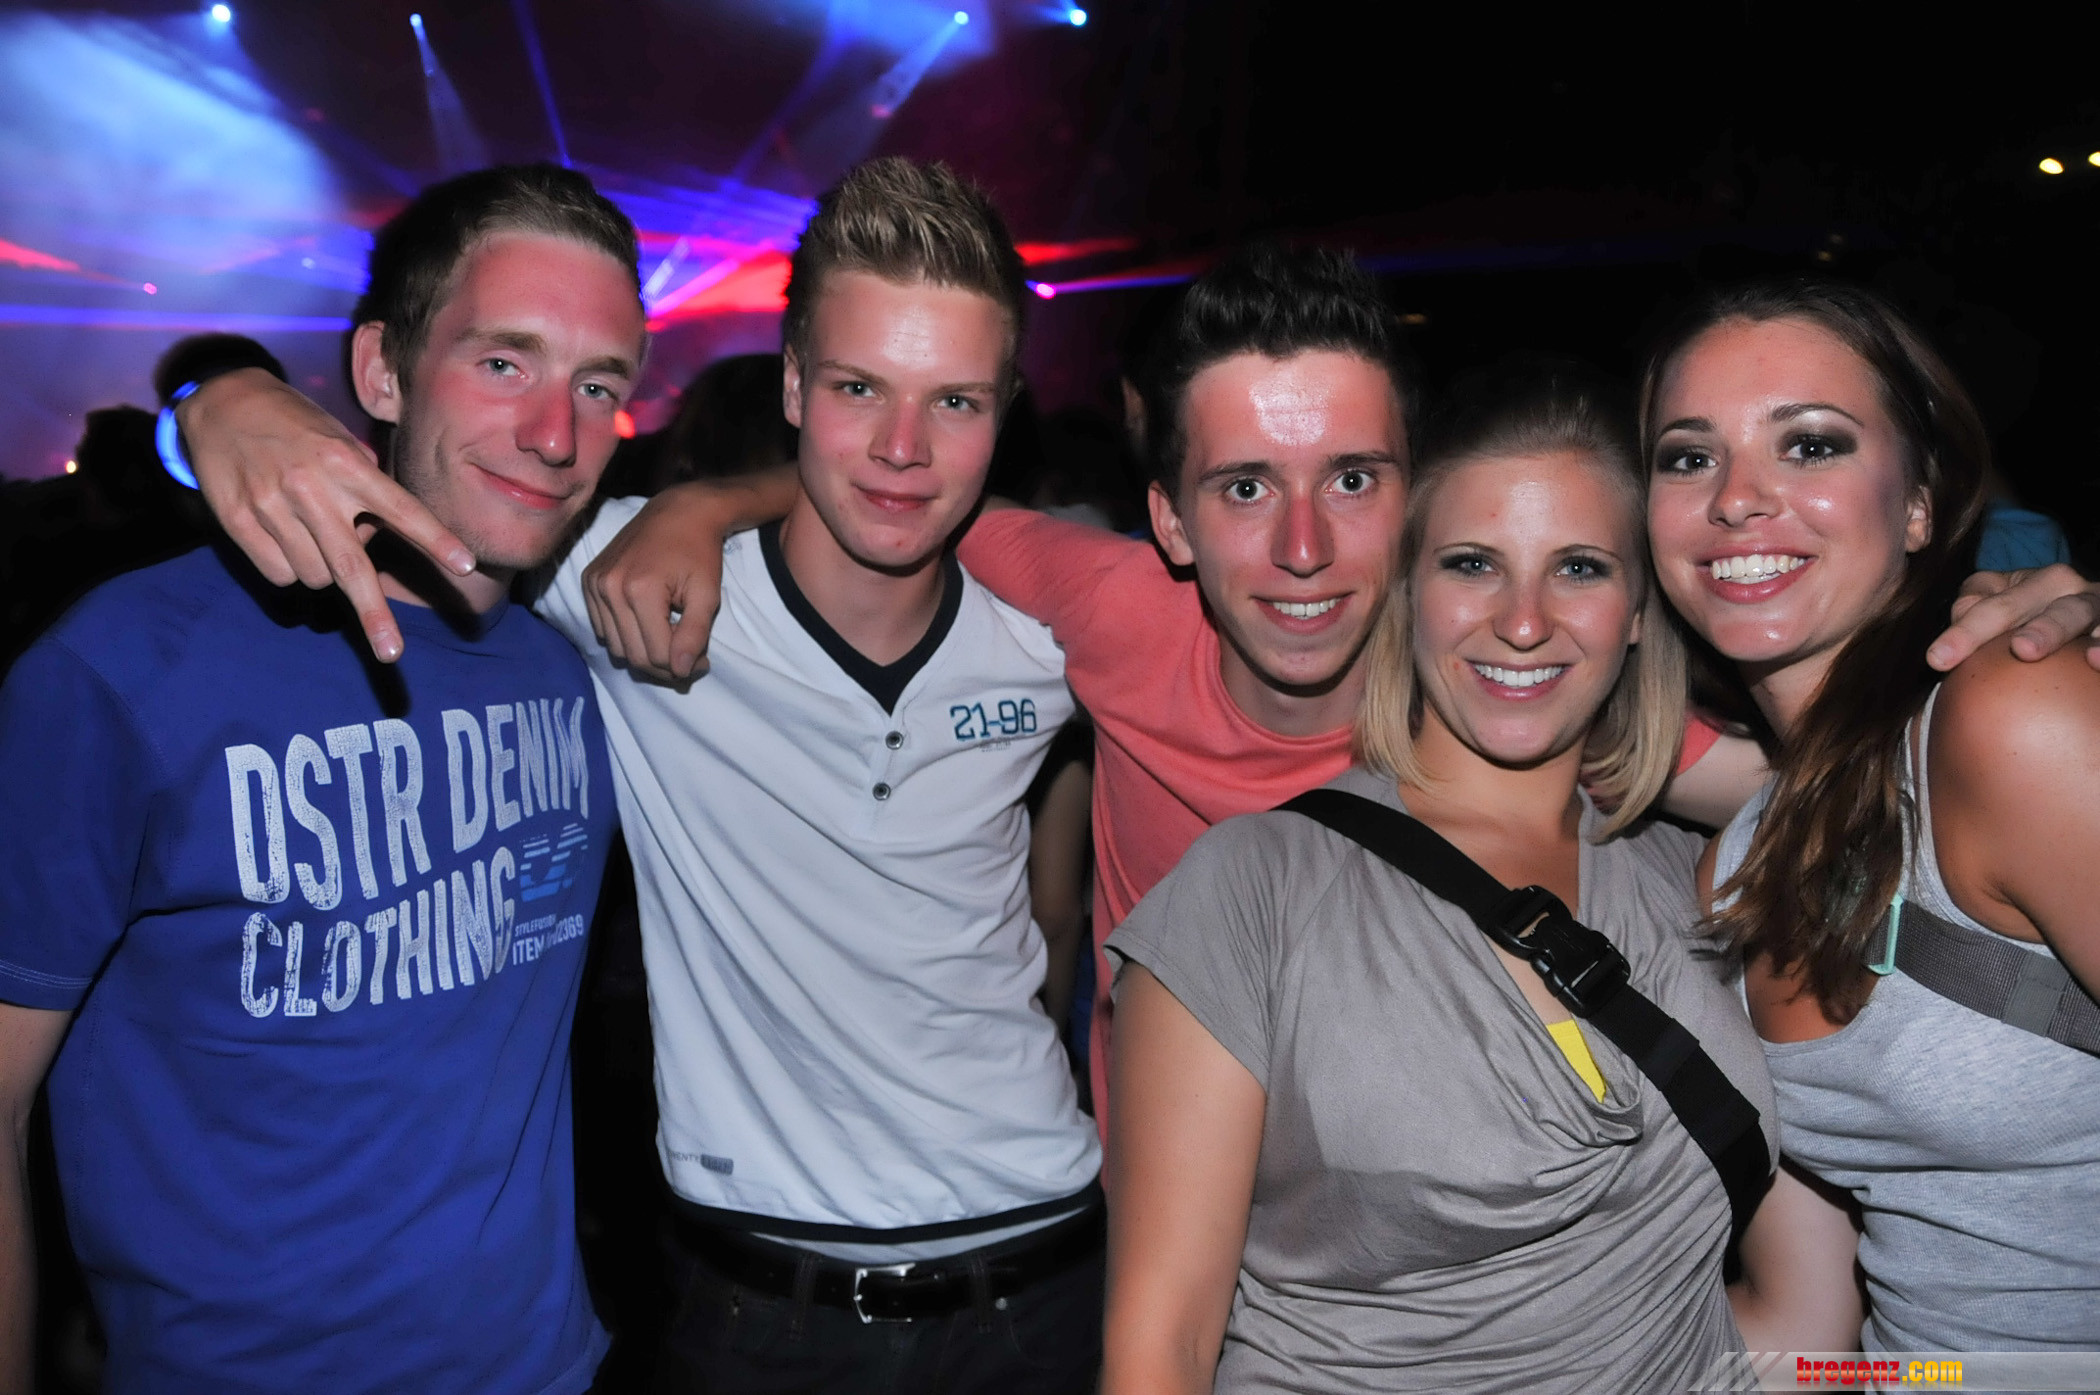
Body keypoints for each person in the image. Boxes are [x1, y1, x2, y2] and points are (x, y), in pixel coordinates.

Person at [573, 245, 2100, 1126]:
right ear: (1168, 518)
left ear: (1416, 496)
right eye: (1244, 486)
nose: (1303, 549)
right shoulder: (1112, 607)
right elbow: (905, 487)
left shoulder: (1510, 681)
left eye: (1354, 480)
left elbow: (1828, 769)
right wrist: (701, 503)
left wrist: (1997, 644)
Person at [178, 156, 1105, 1394]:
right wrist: (218, 390)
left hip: (1046, 1279)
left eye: (956, 402)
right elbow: (420, 484)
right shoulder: (617, 575)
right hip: (756, 1310)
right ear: (792, 384)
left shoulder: (1053, 631)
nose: (901, 446)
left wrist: (709, 497)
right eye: (857, 387)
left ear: (1007, 411)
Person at [0, 163, 639, 1394]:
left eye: (598, 384)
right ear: (382, 373)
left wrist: (212, 388)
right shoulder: (124, 669)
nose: (556, 434)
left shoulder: (581, 662)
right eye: (503, 362)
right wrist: (213, 392)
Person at [1103, 369, 1776, 1393]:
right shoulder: (1252, 891)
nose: (1523, 622)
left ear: (1640, 609)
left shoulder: (1696, 878)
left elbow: (1780, 1304)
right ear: (1408, 592)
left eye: (1579, 568)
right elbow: (1162, 1350)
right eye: (1473, 564)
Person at [1643, 280, 2100, 1352]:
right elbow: (1811, 1336)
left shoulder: (2012, 712)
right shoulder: (1733, 870)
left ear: (1920, 504)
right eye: (1688, 457)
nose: (1737, 498)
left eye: (1810, 445)